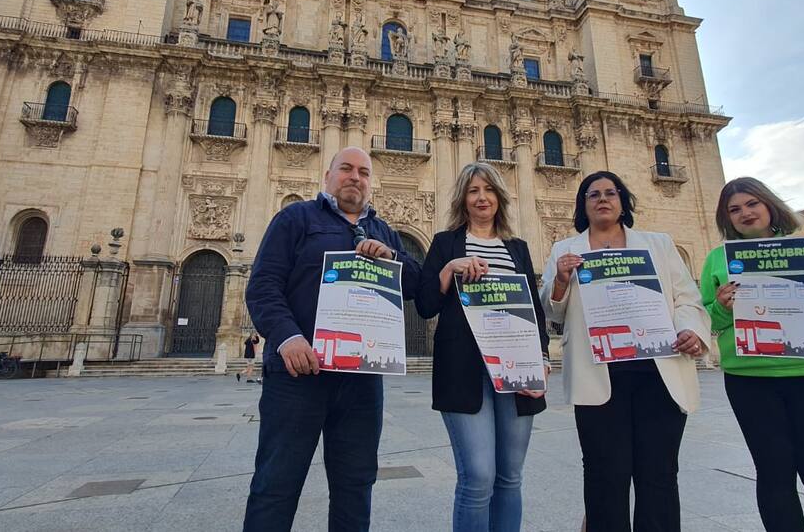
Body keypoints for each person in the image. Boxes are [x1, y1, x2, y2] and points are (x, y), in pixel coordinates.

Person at [243, 147, 421, 532]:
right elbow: (263, 286)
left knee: (356, 484)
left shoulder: (382, 231)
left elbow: (415, 286)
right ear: (328, 176)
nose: (355, 177)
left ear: (370, 183)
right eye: (346, 169)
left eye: (363, 172)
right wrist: (287, 337)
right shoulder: (296, 218)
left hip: (361, 381)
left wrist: (392, 257)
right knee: (276, 483)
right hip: (298, 375)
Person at [541, 171, 709, 532]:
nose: (602, 199)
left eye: (610, 192)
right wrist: (560, 281)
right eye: (593, 194)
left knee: (659, 474)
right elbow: (552, 312)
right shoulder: (564, 251)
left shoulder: (658, 244)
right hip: (598, 377)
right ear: (582, 205)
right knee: (604, 475)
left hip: (658, 375)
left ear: (623, 202)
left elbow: (687, 298)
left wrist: (690, 329)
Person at [699, 177, 804, 532]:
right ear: (727, 218)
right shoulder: (717, 259)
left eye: (752, 204)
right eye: (734, 209)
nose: (745, 213)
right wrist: (722, 307)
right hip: (751, 381)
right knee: (773, 474)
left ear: (769, 205)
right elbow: (705, 318)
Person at [416, 162, 551, 532]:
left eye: (489, 189)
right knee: (477, 476)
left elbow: (534, 311)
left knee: (510, 476)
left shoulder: (517, 248)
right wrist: (449, 269)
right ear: (463, 198)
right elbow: (425, 304)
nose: (482, 197)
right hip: (464, 370)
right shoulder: (446, 244)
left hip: (516, 371)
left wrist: (541, 359)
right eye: (473, 190)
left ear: (499, 197)